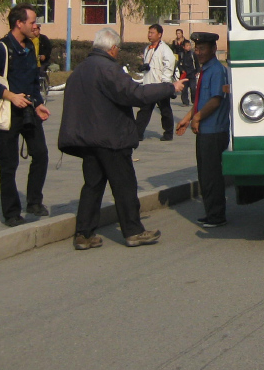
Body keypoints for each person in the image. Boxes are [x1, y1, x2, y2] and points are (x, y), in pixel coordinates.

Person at [58, 27, 185, 249]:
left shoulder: (81, 69)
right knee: (124, 185)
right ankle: (133, 231)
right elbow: (135, 94)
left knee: (92, 186)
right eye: (118, 49)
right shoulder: (108, 69)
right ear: (113, 48)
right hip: (111, 138)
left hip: (88, 139)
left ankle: (84, 234)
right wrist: (169, 88)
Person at [0, 4, 50, 227]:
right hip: (7, 113)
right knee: (9, 164)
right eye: (32, 22)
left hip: (29, 111)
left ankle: (34, 201)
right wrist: (10, 95)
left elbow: (33, 81)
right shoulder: (1, 49)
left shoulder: (29, 47)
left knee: (41, 154)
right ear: (19, 23)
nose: (35, 26)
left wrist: (38, 104)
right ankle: (11, 213)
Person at [175, 32, 230, 227]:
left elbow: (215, 100)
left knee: (212, 175)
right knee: (205, 175)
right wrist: (187, 118)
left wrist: (197, 118)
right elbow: (201, 101)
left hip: (214, 131)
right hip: (205, 131)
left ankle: (217, 215)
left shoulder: (217, 70)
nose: (199, 52)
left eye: (203, 49)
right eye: (197, 49)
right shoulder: (205, 69)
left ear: (213, 49)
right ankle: (211, 212)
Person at [135, 23, 178, 141]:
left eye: (152, 33)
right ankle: (137, 133)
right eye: (149, 32)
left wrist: (165, 82)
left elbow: (169, 65)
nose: (149, 35)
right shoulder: (148, 48)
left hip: (160, 85)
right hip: (149, 85)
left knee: (165, 110)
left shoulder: (165, 49)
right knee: (144, 110)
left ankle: (168, 133)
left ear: (159, 35)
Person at [177, 39, 196, 108]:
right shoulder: (181, 54)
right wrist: (181, 70)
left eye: (189, 45)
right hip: (184, 74)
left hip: (192, 74)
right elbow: (179, 64)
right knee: (184, 89)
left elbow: (196, 63)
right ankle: (185, 102)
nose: (189, 47)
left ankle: (194, 101)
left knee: (193, 88)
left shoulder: (193, 54)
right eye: (187, 45)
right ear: (183, 47)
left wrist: (197, 71)